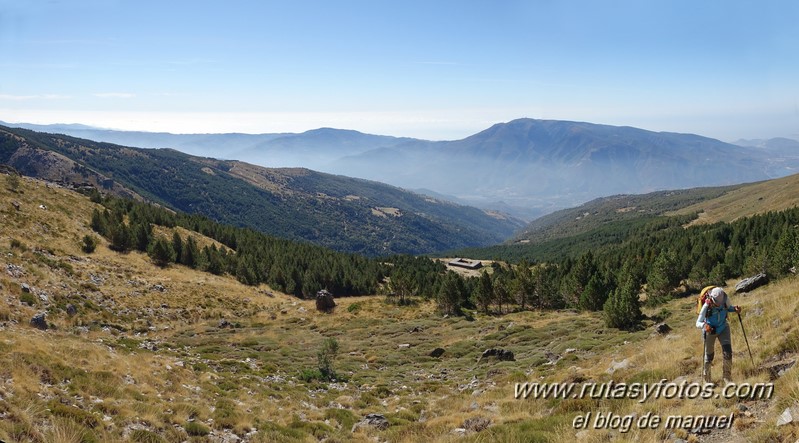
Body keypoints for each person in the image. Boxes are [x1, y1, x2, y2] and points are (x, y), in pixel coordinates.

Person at [695, 287, 741, 384]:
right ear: (712, 299)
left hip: (723, 328)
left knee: (727, 352)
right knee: (709, 356)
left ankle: (727, 377)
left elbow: (729, 308)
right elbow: (698, 322)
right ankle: (707, 380)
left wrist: (735, 309)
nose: (719, 304)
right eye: (717, 302)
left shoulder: (725, 300)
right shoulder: (706, 306)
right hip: (710, 331)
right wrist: (704, 325)